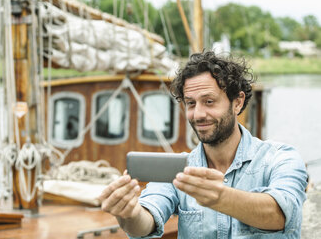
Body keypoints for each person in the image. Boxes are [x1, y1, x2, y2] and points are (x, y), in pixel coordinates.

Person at [99, 50, 308, 238]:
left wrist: (220, 197)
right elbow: (145, 222)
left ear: (238, 102)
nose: (198, 114)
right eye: (190, 103)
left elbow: (280, 215)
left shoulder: (281, 158)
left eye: (209, 101)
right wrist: (129, 215)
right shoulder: (177, 170)